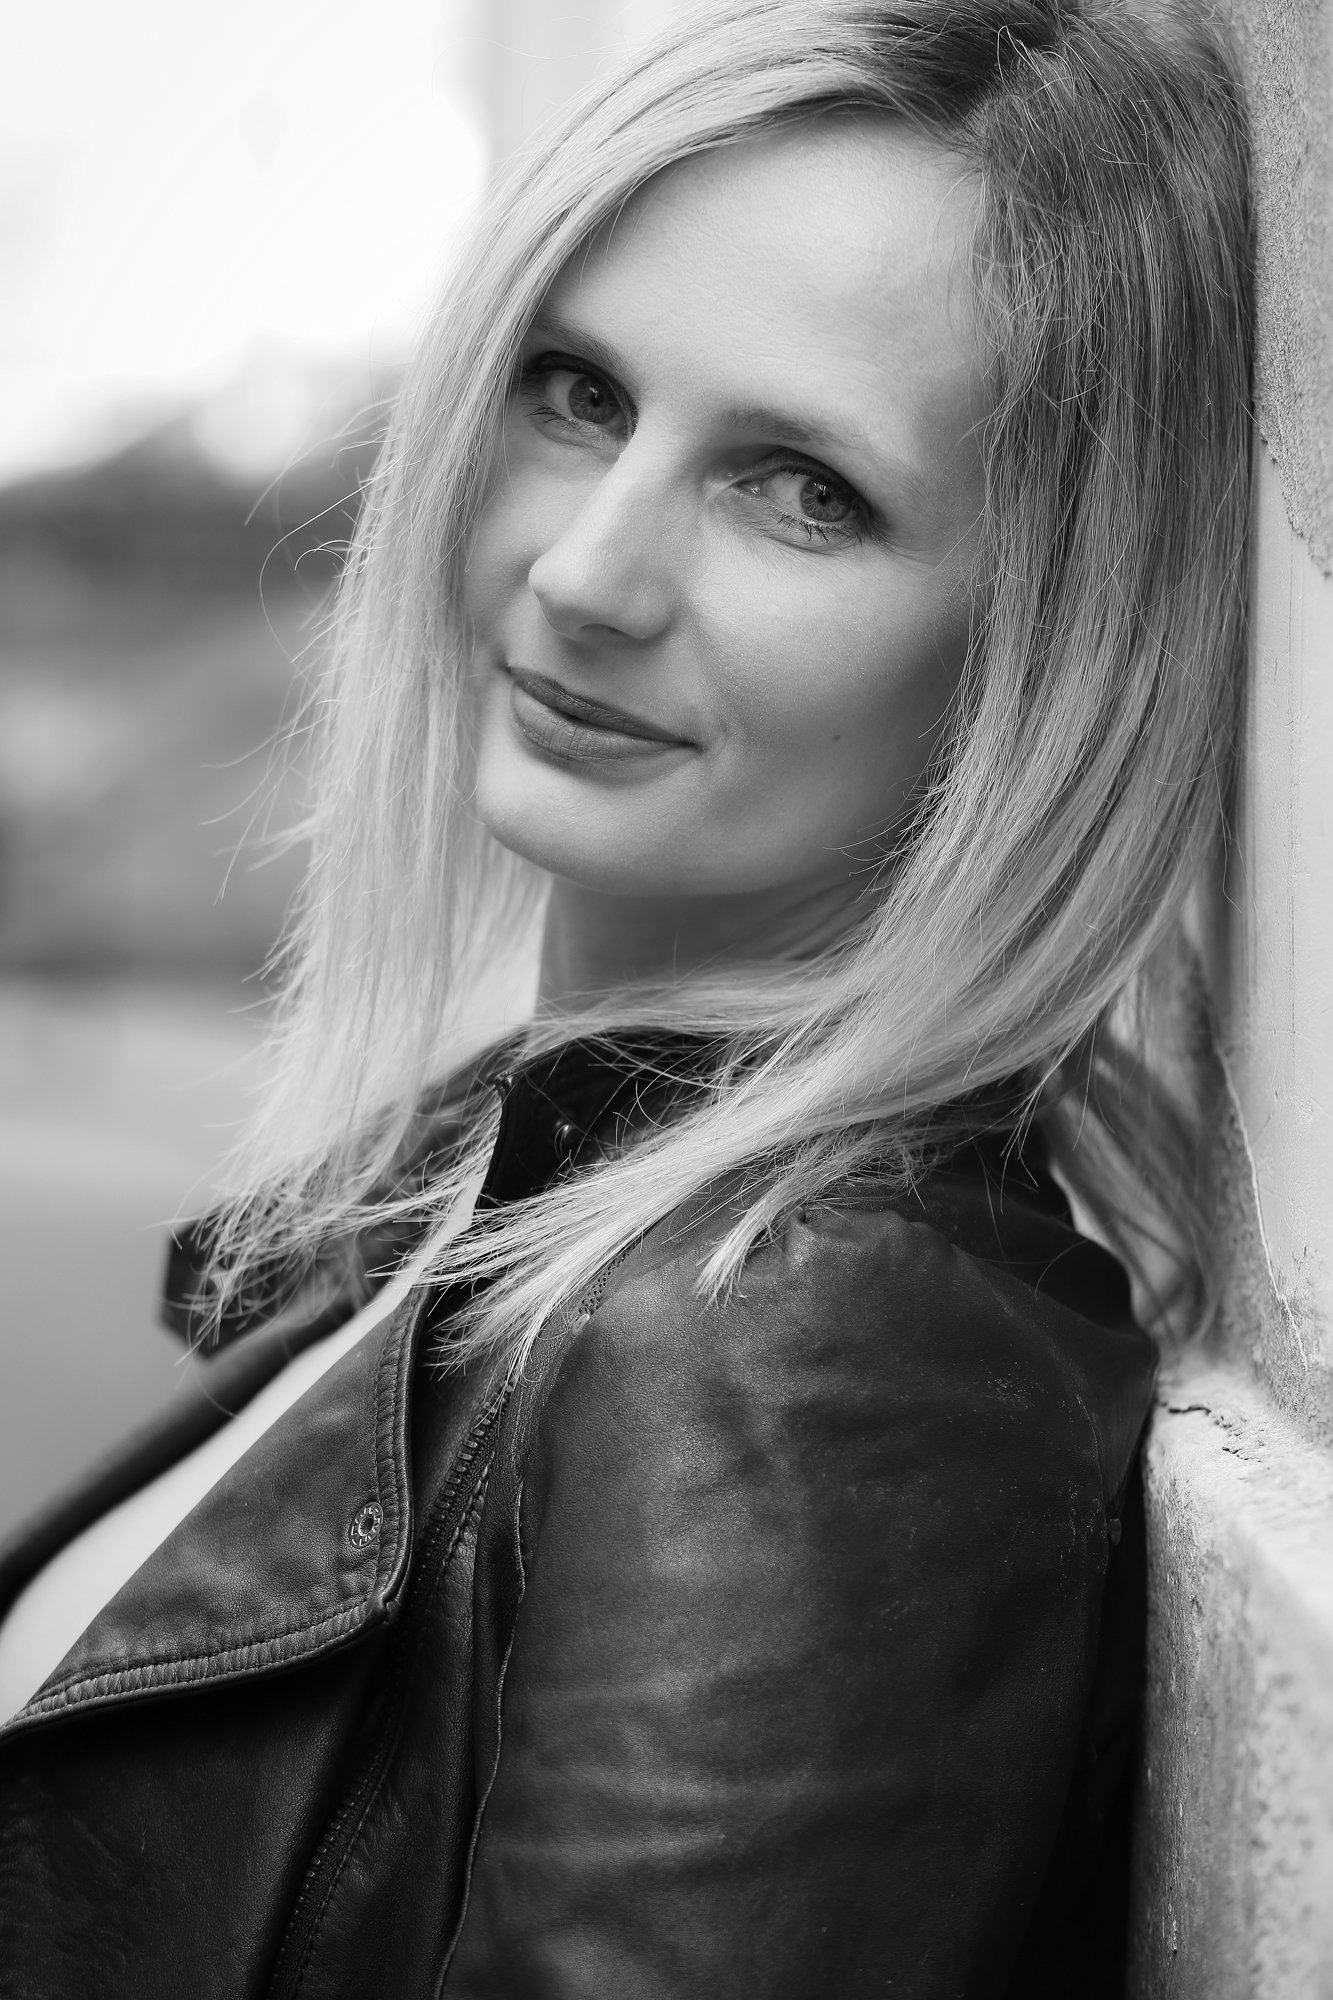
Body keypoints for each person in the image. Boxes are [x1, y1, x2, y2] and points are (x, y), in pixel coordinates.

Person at [0, 0, 1252, 1992]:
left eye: (801, 488)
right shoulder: (531, 1179)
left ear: (1047, 646)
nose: (586, 573)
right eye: (577, 392)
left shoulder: (806, 1343)